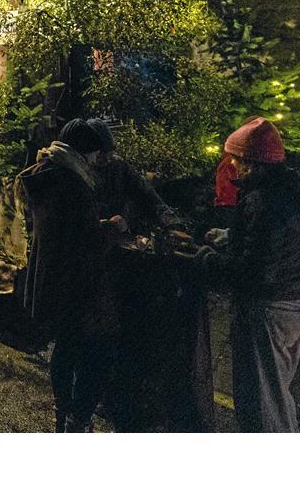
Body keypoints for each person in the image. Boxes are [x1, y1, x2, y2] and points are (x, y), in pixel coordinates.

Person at [193, 117, 300, 432]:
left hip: (267, 313)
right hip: (294, 304)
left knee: (262, 406)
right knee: (277, 394)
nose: (232, 165)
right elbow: (276, 245)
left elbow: (254, 271)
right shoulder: (292, 192)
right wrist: (229, 236)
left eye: (236, 159)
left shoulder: (262, 202)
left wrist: (207, 259)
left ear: (252, 162)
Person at [16, 118, 119, 432]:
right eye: (93, 154)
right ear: (84, 152)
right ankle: (78, 419)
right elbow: (85, 238)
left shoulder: (42, 175)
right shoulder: (72, 184)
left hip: (51, 276)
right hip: (77, 281)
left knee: (64, 347)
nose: (96, 162)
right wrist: (112, 227)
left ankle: (62, 412)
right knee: (91, 351)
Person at [85, 118, 181, 239]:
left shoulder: (118, 166)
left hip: (122, 234)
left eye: (110, 154)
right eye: (102, 155)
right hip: (96, 237)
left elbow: (145, 194)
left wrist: (170, 222)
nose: (108, 159)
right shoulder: (81, 171)